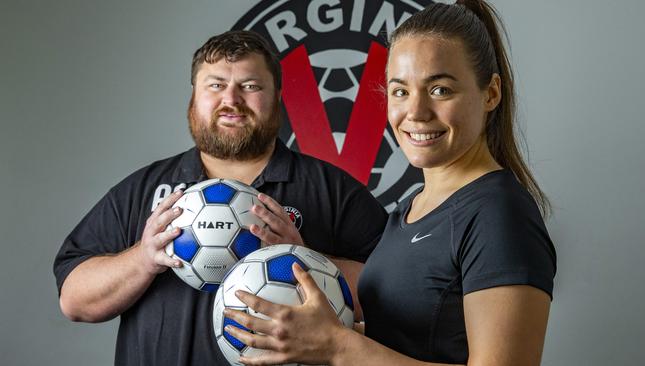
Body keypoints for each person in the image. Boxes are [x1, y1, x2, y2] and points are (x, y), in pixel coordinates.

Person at [222, 1, 557, 365]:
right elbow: (402, 339)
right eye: (400, 91)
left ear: (490, 93)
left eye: (440, 89)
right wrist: (313, 332)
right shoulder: (411, 208)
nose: (415, 112)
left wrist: (337, 346)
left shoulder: (498, 213)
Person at [53, 30, 388, 365]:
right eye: (215, 85)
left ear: (278, 97)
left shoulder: (331, 189)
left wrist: (306, 260)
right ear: (193, 97)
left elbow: (400, 291)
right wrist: (144, 258)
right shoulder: (144, 190)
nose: (232, 100)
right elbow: (74, 301)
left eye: (250, 86)